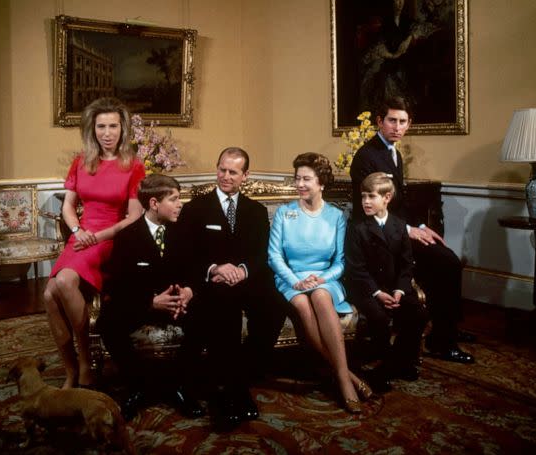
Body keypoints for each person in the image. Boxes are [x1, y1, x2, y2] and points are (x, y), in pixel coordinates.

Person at [350, 96, 474, 364]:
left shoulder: (393, 152)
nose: (397, 127)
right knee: (446, 262)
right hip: (379, 238)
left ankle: (445, 328)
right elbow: (367, 210)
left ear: (409, 125)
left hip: (397, 231)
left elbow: (399, 204)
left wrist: (419, 226)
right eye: (392, 121)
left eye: (402, 122)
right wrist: (407, 230)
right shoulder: (366, 156)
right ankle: (442, 339)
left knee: (446, 257)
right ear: (379, 122)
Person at [173, 147, 286, 429]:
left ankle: (241, 375)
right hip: (211, 283)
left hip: (245, 280)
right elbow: (184, 253)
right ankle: (230, 392)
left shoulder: (256, 211)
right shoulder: (195, 208)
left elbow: (261, 254)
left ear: (245, 176)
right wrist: (214, 269)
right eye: (222, 169)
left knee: (275, 306)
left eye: (233, 172)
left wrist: (243, 270)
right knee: (225, 310)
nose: (225, 176)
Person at [44, 97, 145, 390]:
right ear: (93, 129)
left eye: (113, 126)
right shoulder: (81, 161)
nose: (107, 133)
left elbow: (134, 217)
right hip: (81, 236)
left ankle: (86, 362)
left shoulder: (133, 166)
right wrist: (77, 231)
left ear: (122, 129)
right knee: (49, 296)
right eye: (101, 126)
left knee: (62, 282)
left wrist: (97, 236)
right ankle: (70, 370)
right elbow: (68, 206)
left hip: (110, 238)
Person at [268, 153, 372, 414]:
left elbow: (340, 261)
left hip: (326, 278)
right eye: (297, 179)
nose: (300, 184)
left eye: (306, 179)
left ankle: (343, 382)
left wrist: (322, 278)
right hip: (290, 278)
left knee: (321, 296)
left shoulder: (336, 216)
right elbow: (274, 255)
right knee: (303, 304)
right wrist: (295, 281)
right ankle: (348, 377)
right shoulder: (285, 212)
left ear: (321, 183)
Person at [97, 174, 204, 420]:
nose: (180, 204)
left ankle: (179, 386)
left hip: (179, 302)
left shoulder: (186, 230)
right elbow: (118, 285)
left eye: (180, 199)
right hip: (143, 303)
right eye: (174, 199)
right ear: (154, 203)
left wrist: (187, 292)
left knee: (209, 315)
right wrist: (151, 301)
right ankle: (138, 385)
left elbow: (197, 269)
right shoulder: (128, 236)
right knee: (108, 322)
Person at [344, 172, 428, 392]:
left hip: (395, 287)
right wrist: (377, 293)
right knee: (379, 317)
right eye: (363, 197)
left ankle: (400, 361)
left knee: (418, 313)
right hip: (366, 288)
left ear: (387, 197)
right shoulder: (356, 227)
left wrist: (400, 290)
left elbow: (407, 264)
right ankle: (382, 367)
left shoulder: (399, 226)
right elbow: (356, 269)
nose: (365, 202)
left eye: (371, 197)